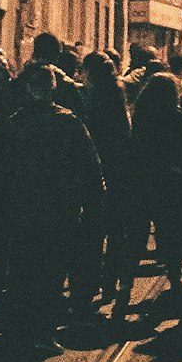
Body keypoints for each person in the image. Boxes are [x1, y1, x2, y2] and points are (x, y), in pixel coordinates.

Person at [4, 62, 104, 357]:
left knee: (23, 270)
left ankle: (21, 330)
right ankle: (43, 333)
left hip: (23, 209)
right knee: (51, 273)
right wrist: (94, 204)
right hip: (61, 210)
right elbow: (90, 168)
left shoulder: (15, 123)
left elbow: (2, 169)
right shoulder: (69, 123)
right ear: (53, 87)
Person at [116, 71, 182, 320]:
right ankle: (175, 280)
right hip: (168, 185)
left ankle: (124, 290)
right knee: (168, 235)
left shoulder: (139, 116)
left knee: (135, 239)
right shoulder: (178, 119)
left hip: (140, 183)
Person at [80, 51, 131, 312]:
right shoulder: (117, 96)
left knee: (92, 230)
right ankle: (111, 283)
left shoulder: (88, 97)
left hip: (93, 172)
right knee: (116, 232)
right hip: (117, 172)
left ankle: (90, 284)